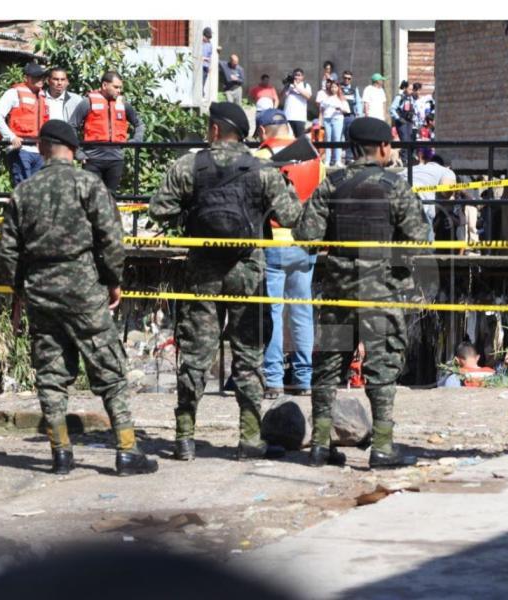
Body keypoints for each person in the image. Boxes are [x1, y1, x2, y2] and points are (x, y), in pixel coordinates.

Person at [0, 120, 158, 476]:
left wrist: (21, 289)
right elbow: (111, 240)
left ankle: (60, 454)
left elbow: (7, 252)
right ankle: (128, 450)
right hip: (84, 289)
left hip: (41, 291)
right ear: (73, 149)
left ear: (41, 147)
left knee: (51, 374)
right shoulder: (88, 184)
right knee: (109, 370)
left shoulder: (23, 192)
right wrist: (113, 280)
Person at [149, 102, 302, 462]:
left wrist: (192, 210)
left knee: (196, 358)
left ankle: (184, 437)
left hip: (202, 273)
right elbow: (291, 215)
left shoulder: (189, 165)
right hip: (247, 273)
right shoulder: (262, 169)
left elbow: (159, 209)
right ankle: (249, 438)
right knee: (248, 359)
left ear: (215, 130)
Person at [293, 117, 432, 469]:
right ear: (384, 147)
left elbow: (306, 234)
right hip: (380, 292)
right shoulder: (393, 185)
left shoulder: (332, 184)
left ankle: (320, 445)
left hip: (339, 291)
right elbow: (420, 238)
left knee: (328, 366)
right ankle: (383, 447)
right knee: (382, 366)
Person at [253, 109, 322, 399]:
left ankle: (274, 380)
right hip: (305, 245)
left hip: (273, 244)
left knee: (273, 313)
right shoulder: (314, 157)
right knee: (303, 312)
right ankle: (305, 379)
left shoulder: (260, 159)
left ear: (262, 131)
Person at [70, 71, 145, 194]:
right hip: (92, 159)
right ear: (104, 85)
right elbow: (71, 126)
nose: (119, 91)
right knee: (91, 199)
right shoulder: (87, 102)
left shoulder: (124, 104)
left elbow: (139, 124)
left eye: (120, 87)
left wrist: (137, 140)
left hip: (116, 160)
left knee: (111, 199)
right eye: (116, 87)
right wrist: (78, 152)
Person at [0, 62, 49, 186]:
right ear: (27, 78)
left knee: (38, 189)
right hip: (21, 148)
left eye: (42, 77)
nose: (40, 80)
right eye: (37, 76)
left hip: (39, 150)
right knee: (22, 188)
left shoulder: (43, 96)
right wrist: (11, 137)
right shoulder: (14, 93)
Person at [412, 147, 456, 238]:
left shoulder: (412, 168)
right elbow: (447, 190)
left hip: (395, 204)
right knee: (425, 249)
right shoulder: (446, 171)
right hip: (420, 211)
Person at [316, 79, 350, 167]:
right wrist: (321, 120)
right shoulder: (327, 98)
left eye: (335, 87)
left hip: (337, 119)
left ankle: (337, 160)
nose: (333, 89)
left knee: (337, 139)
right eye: (332, 87)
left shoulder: (342, 98)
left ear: (338, 88)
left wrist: (340, 109)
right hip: (327, 119)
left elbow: (347, 110)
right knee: (328, 139)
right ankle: (327, 160)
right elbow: (322, 109)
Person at [390, 80, 417, 165]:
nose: (411, 91)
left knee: (410, 140)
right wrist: (398, 118)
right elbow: (392, 109)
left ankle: (409, 158)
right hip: (402, 122)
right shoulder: (399, 97)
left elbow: (413, 108)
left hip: (409, 121)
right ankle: (404, 159)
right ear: (405, 88)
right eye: (409, 89)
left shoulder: (411, 98)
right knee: (405, 140)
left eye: (412, 89)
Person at [282, 68, 312, 139]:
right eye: (295, 75)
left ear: (302, 77)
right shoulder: (289, 86)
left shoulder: (306, 85)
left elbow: (308, 96)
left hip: (299, 118)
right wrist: (286, 85)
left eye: (299, 75)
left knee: (300, 139)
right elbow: (281, 96)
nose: (297, 77)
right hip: (287, 117)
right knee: (288, 139)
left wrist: (296, 86)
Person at [340, 70, 362, 162]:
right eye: (345, 78)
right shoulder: (338, 87)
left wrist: (359, 116)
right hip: (340, 116)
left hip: (351, 116)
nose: (347, 80)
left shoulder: (354, 89)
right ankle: (336, 158)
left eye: (349, 78)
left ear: (351, 79)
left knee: (350, 137)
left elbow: (358, 103)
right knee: (338, 137)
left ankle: (349, 158)